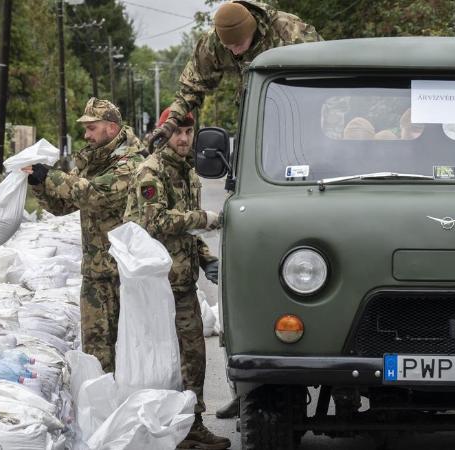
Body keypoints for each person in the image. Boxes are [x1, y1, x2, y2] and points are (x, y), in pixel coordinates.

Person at [124, 107, 227, 449]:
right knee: (161, 362)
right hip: (156, 288)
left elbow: (188, 232)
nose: (183, 138)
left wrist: (206, 257)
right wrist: (204, 217)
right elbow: (156, 222)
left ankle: (192, 424)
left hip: (182, 283)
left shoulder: (189, 173)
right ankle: (162, 427)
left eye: (188, 131)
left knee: (194, 355)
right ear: (163, 132)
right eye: (177, 132)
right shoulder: (151, 171)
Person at [25, 97, 145, 373]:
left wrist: (52, 177)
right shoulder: (92, 161)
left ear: (111, 129)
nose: (86, 134)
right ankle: (103, 410)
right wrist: (39, 184)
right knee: (96, 353)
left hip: (124, 276)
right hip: (95, 274)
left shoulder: (130, 163)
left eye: (92, 128)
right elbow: (62, 204)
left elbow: (95, 195)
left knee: (130, 353)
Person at [148, 1, 322, 150]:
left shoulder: (289, 32)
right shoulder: (213, 43)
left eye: (238, 44)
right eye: (228, 46)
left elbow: (331, 76)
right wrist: (171, 122)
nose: (234, 50)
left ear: (252, 31)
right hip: (255, 121)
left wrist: (341, 121)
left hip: (301, 116)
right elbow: (191, 88)